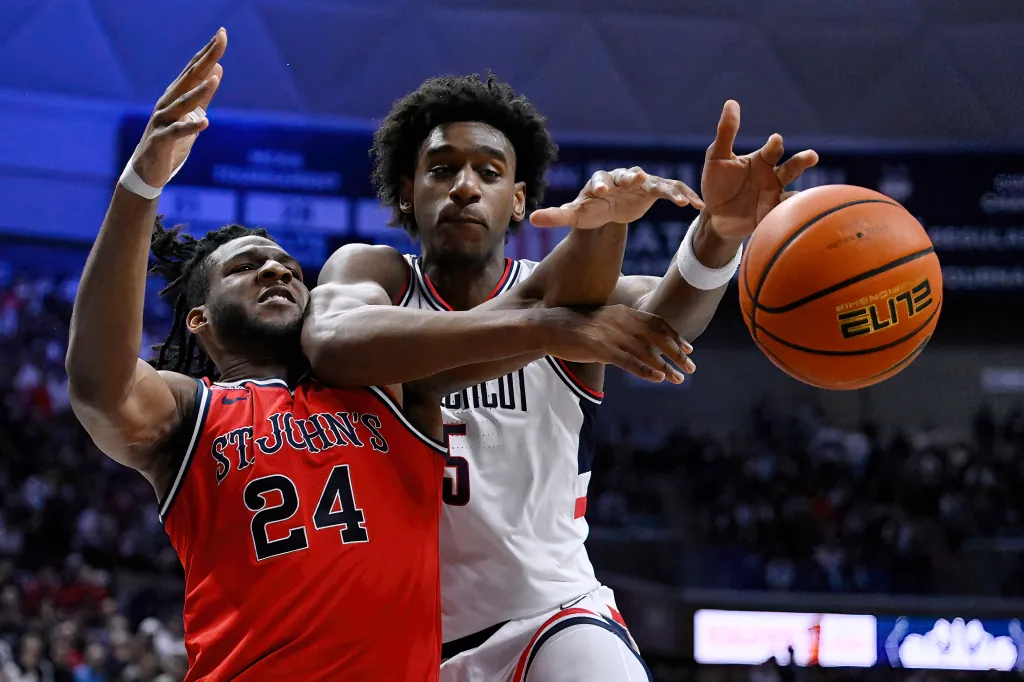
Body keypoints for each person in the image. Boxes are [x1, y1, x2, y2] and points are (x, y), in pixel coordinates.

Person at [66, 32, 690, 682]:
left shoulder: (386, 389)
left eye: (288, 267)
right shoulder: (190, 414)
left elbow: (514, 310)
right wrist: (140, 185)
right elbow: (99, 385)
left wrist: (640, 236)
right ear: (199, 319)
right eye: (245, 268)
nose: (276, 271)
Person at [305, 74, 819, 681]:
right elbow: (331, 341)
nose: (464, 187)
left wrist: (716, 236)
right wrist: (542, 328)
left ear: (518, 200)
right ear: (405, 192)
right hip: (396, 641)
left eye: (489, 173)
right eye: (441, 170)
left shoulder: (576, 298)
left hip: (549, 619)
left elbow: (662, 319)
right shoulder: (377, 274)